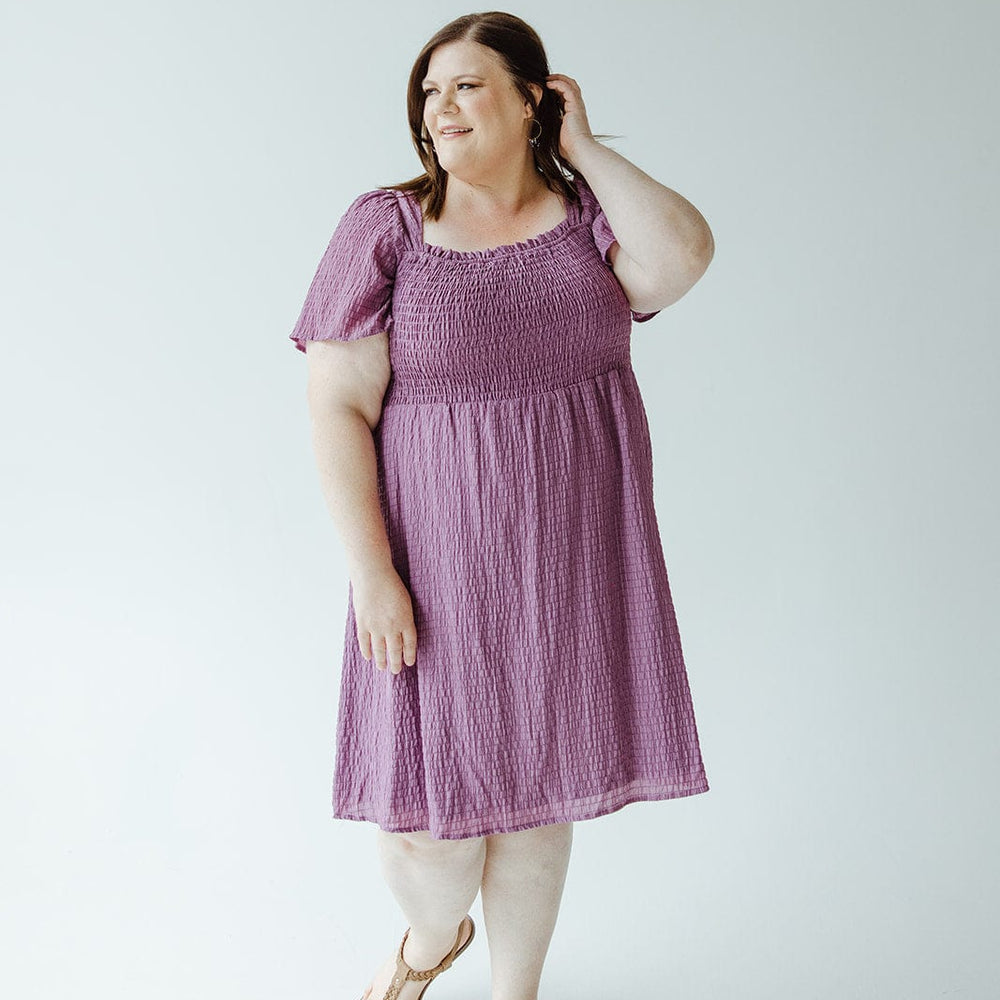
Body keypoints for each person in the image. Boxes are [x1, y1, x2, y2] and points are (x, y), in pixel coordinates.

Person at [288, 11, 714, 1000]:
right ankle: (430, 942)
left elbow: (683, 258)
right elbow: (336, 408)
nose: (439, 108)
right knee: (425, 834)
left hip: (566, 560)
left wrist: (587, 148)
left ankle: (513, 991)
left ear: (534, 98)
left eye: (466, 85)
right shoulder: (386, 227)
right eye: (428, 92)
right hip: (428, 571)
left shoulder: (588, 223)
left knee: (535, 803)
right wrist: (372, 574)